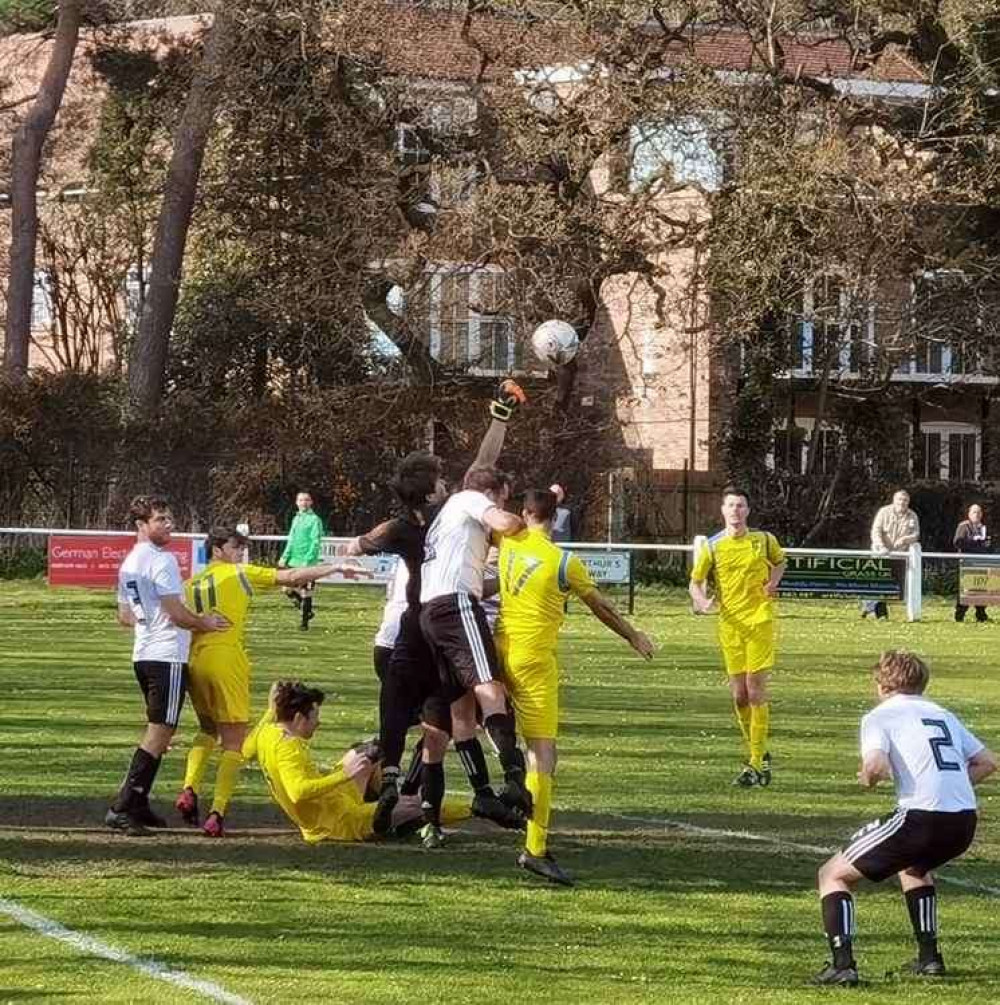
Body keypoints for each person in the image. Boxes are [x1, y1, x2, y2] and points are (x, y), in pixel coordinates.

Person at [344, 381, 528, 846]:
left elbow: (362, 542)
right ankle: (492, 783)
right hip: (430, 622)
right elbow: (480, 473)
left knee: (426, 719)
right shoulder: (446, 515)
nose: (450, 482)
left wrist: (359, 545)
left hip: (401, 629)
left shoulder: (404, 525)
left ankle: (396, 783)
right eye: (442, 479)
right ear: (434, 488)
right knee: (455, 713)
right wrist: (499, 420)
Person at [497, 488, 656, 885]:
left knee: (461, 729)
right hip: (534, 660)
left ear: (523, 513)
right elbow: (600, 606)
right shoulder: (564, 562)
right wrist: (633, 635)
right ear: (558, 517)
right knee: (543, 754)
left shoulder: (507, 541)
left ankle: (420, 802)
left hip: (499, 649)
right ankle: (535, 849)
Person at [812, 650, 996, 986]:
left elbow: (876, 766)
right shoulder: (943, 714)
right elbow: (987, 762)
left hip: (920, 817)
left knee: (833, 875)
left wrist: (867, 777)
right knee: (915, 868)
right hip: (964, 820)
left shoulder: (881, 716)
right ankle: (929, 959)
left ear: (882, 684)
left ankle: (843, 966)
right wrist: (948, 784)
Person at [175, 527, 354, 837]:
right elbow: (292, 576)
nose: (241, 552)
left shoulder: (189, 584)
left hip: (195, 660)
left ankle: (189, 787)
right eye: (235, 546)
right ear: (217, 549)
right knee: (234, 742)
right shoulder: (240, 573)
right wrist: (334, 567)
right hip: (226, 659)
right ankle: (218, 812)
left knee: (206, 730)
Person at [107, 495, 228, 835]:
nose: (169, 524)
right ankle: (122, 806)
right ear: (141, 525)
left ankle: (139, 802)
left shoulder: (129, 562)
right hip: (166, 657)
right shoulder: (162, 560)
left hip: (143, 654)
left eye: (169, 517)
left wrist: (150, 621)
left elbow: (125, 615)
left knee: (161, 729)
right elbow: (175, 612)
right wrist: (204, 622)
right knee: (160, 732)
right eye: (160, 519)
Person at [420, 465, 530, 816]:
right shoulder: (468, 498)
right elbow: (506, 524)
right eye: (503, 498)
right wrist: (524, 527)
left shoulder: (445, 519)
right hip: (455, 605)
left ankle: (481, 794)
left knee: (461, 710)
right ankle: (516, 777)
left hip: (430, 613)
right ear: (492, 493)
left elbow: (480, 582)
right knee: (490, 688)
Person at [243, 681, 471, 844]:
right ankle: (476, 808)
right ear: (298, 718)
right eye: (314, 717)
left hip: (335, 802)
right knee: (417, 803)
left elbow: (246, 750)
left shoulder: (268, 731)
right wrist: (345, 775)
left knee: (370, 751)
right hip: (337, 824)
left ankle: (386, 805)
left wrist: (270, 710)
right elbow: (298, 792)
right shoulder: (287, 748)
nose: (318, 723)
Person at [689, 486, 786, 787]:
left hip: (760, 622)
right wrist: (702, 601)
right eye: (731, 505)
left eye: (741, 505)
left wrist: (772, 582)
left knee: (755, 689)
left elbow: (781, 561)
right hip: (730, 626)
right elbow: (695, 582)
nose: (736, 510)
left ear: (748, 510)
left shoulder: (764, 540)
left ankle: (755, 763)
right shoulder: (712, 547)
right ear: (722, 510)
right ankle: (758, 751)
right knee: (738, 695)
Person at [867, 489, 920, 621]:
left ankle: (870, 608)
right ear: (894, 500)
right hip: (881, 552)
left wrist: (905, 539)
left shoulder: (912, 515)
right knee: (878, 582)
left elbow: (916, 535)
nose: (902, 502)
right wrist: (881, 546)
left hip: (900, 555)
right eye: (900, 500)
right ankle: (879, 613)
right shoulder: (884, 512)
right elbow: (876, 531)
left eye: (905, 500)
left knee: (895, 585)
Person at [278, 490, 324, 630]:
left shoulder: (315, 520)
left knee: (306, 592)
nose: (303, 503)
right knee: (286, 589)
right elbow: (291, 540)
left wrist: (308, 560)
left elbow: (315, 542)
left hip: (307, 562)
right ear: (297, 502)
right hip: (293, 560)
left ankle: (304, 623)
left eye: (306, 500)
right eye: (301, 500)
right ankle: (307, 611)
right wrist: (284, 557)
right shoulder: (296, 518)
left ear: (311, 502)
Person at [953, 504, 990, 623]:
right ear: (969, 514)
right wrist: (975, 543)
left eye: (979, 512)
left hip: (981, 562)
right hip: (966, 563)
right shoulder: (963, 526)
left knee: (981, 588)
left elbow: (987, 544)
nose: (977, 515)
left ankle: (981, 614)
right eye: (974, 512)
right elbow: (958, 542)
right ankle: (960, 614)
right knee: (966, 589)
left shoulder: (983, 528)